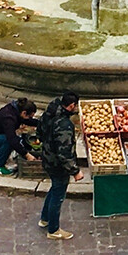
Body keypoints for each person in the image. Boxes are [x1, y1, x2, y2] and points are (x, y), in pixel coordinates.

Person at [37, 91, 83, 240]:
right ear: (71, 106)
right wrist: (75, 171)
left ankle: (44, 219)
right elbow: (64, 152)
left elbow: (39, 131)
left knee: (54, 188)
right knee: (58, 195)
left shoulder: (49, 113)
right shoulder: (64, 125)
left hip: (47, 158)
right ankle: (54, 230)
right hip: (57, 165)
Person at [0, 97, 39, 176]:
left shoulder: (16, 110)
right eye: (30, 116)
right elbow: (11, 139)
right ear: (24, 113)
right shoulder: (9, 118)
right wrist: (27, 155)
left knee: (17, 139)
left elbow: (26, 120)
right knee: (10, 141)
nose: (30, 118)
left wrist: (41, 124)